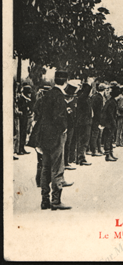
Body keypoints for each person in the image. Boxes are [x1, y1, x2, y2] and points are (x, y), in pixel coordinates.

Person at [38, 70, 74, 210]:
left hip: (45, 136)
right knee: (57, 168)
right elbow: (58, 117)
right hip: (56, 136)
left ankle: (44, 200)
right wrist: (64, 129)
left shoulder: (48, 95)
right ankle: (56, 200)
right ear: (65, 82)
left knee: (45, 168)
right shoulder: (59, 96)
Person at [27, 85, 51, 186]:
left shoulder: (40, 100)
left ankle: (39, 180)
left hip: (38, 130)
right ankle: (43, 180)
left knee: (40, 158)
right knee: (45, 158)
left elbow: (34, 109)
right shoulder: (50, 102)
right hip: (45, 132)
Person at [75, 83, 93, 166]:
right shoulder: (82, 98)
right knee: (83, 140)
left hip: (87, 122)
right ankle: (80, 157)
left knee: (84, 140)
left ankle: (80, 157)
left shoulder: (86, 98)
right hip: (83, 123)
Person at [101, 85, 119, 162]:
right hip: (110, 124)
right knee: (108, 138)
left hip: (109, 123)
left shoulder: (111, 101)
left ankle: (110, 154)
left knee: (110, 138)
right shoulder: (112, 102)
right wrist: (113, 123)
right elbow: (110, 114)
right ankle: (108, 155)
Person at [64, 83, 78, 170]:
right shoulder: (65, 102)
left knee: (69, 143)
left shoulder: (74, 100)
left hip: (72, 125)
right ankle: (65, 162)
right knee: (66, 144)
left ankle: (68, 160)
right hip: (67, 126)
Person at [89, 83, 106, 157]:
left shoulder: (96, 96)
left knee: (98, 134)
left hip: (95, 118)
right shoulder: (99, 98)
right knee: (95, 134)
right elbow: (99, 111)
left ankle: (98, 149)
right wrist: (100, 120)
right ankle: (94, 151)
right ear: (104, 90)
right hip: (96, 118)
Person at [17, 84, 33, 155]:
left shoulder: (26, 99)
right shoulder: (21, 99)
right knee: (21, 133)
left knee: (24, 133)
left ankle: (22, 148)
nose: (30, 94)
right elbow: (21, 107)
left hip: (25, 117)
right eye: (28, 93)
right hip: (21, 118)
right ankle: (20, 148)